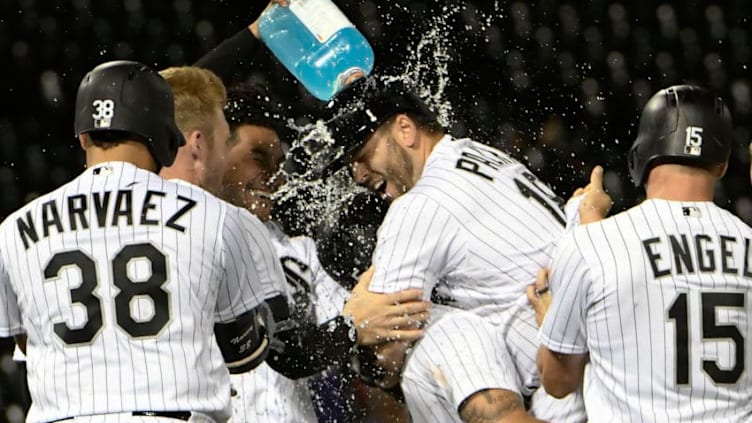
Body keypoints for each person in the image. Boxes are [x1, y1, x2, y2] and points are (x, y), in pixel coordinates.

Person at [0, 60, 279, 423]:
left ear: (83, 136)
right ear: (165, 136)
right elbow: (242, 350)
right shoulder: (219, 217)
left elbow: (25, 342)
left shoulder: (15, 229)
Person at [322, 77, 586, 422]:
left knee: (428, 332)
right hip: (599, 373)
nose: (356, 174)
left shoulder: (419, 205)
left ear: (405, 129)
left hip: (561, 389)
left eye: (362, 153)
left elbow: (385, 350)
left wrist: (355, 327)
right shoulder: (480, 154)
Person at [529, 84, 752, 422]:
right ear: (721, 165)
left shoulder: (592, 244)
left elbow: (559, 382)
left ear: (640, 155)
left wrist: (551, 319)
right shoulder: (748, 240)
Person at [221, 83, 430, 422]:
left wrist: (384, 356)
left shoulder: (300, 251)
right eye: (258, 157)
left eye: (279, 164)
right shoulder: (182, 235)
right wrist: (254, 34)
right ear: (213, 147)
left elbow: (353, 335)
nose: (273, 178)